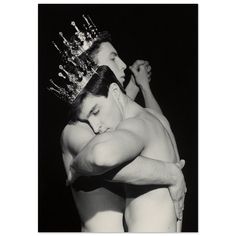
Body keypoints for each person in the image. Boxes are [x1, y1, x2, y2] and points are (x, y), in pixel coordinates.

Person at [50, 18, 186, 232]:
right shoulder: (76, 130)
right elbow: (103, 161)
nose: (123, 64)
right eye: (113, 58)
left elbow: (159, 126)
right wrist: (172, 174)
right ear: (92, 70)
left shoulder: (112, 117)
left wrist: (142, 86)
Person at [67, 65, 185, 232]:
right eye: (87, 121)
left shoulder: (135, 125)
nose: (95, 127)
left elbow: (100, 156)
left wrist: (75, 166)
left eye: (95, 111)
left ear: (115, 92)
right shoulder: (156, 118)